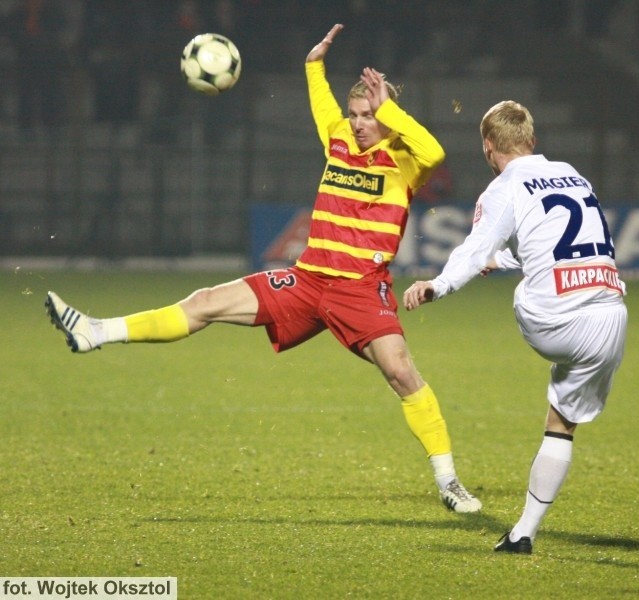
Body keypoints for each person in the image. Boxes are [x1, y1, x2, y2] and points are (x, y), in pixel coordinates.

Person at [45, 24, 481, 514]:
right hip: (308, 277)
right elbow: (322, 105)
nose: (358, 123)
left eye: (368, 116)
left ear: (386, 118)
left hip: (360, 289)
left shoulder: (404, 160)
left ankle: (448, 481)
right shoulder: (337, 136)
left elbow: (436, 151)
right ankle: (95, 331)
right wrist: (314, 64)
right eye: (356, 114)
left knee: (401, 372)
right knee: (205, 302)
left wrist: (389, 112)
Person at [403, 100, 628, 553]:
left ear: (488, 147)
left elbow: (473, 246)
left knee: (526, 293)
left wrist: (439, 285)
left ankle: (523, 533)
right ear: (532, 140)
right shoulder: (573, 174)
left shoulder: (503, 188)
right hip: (611, 317)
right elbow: (563, 241)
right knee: (561, 423)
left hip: (554, 321)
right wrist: (503, 259)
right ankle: (522, 533)